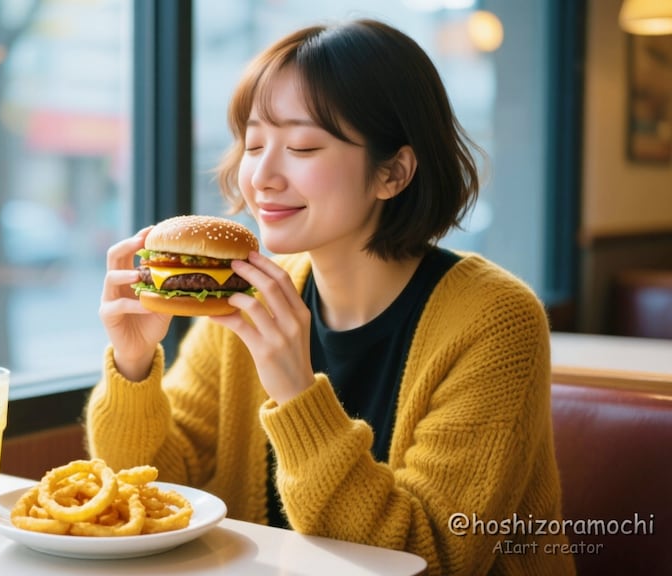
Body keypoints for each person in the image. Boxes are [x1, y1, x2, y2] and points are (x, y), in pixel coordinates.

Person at [87, 19, 573, 575]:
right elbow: (151, 493)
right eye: (253, 144)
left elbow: (431, 557)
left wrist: (297, 395)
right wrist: (132, 365)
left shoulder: (496, 320)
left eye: (301, 146)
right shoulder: (249, 294)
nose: (262, 177)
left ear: (392, 172)